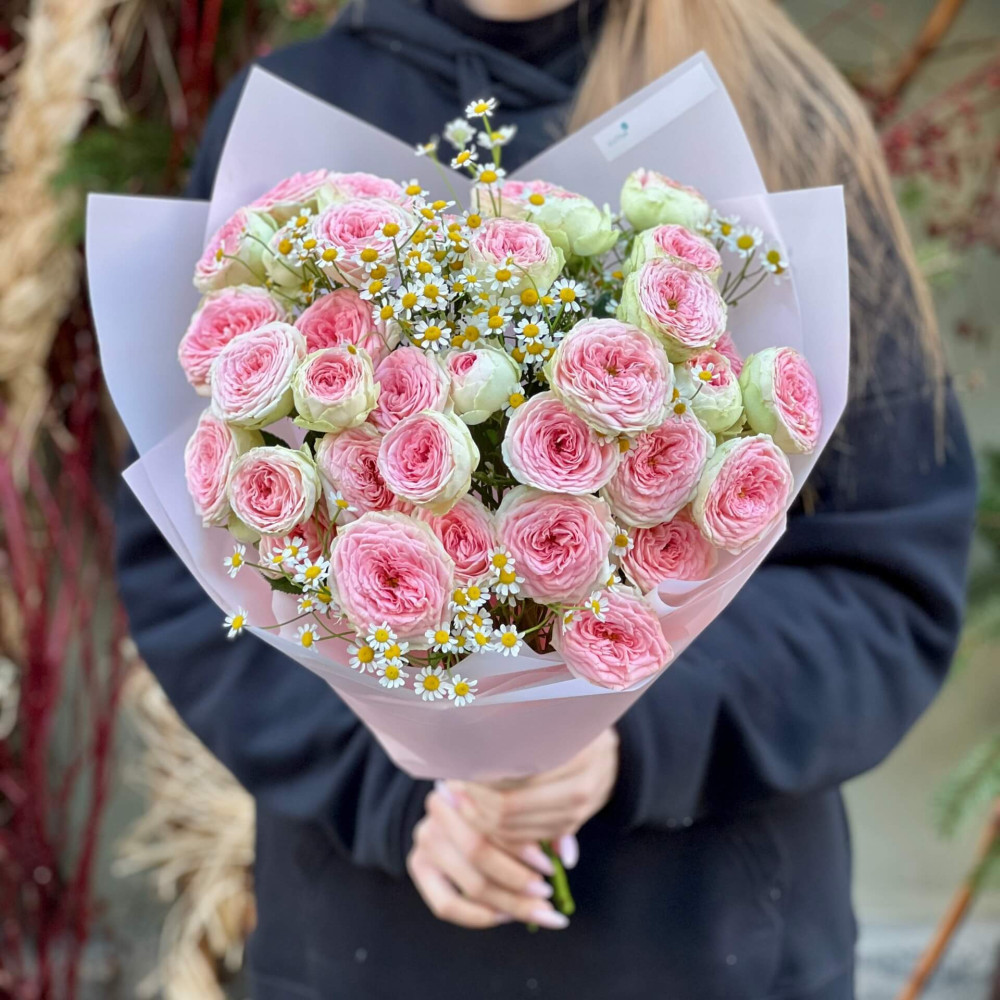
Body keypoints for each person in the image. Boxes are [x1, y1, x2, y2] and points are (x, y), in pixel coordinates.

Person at [114, 1, 978, 997]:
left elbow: (887, 582)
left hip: (710, 946)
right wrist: (397, 789)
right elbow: (187, 553)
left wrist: (638, 732)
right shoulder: (298, 115)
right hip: (373, 948)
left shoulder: (775, 114)